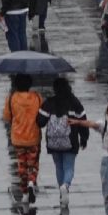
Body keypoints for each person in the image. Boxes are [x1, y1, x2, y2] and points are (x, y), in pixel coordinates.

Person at [37, 78, 89, 207]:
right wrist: (84, 137)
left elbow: (40, 122)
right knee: (69, 167)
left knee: (59, 166)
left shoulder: (49, 102)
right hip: (70, 141)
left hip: (53, 142)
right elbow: (83, 121)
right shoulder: (74, 102)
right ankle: (66, 186)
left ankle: (62, 192)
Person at [2, 73, 43, 205]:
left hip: (18, 138)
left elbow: (7, 117)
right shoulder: (37, 97)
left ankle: (25, 192)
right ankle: (32, 181)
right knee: (33, 162)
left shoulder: (11, 98)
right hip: (33, 136)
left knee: (21, 164)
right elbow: (43, 114)